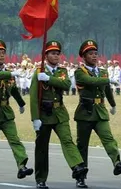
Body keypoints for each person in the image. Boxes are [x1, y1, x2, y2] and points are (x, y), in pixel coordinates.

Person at [30, 40, 88, 189]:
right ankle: (41, 179)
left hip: (60, 113)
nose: (56, 56)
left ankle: (77, 166)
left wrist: (49, 79)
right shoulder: (38, 72)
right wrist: (35, 118)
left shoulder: (62, 72)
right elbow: (33, 98)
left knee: (67, 140)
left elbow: (66, 85)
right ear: (46, 55)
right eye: (52, 54)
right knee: (42, 148)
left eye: (57, 54)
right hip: (44, 114)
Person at [74, 40, 121, 188]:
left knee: (108, 138)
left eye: (95, 53)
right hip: (85, 112)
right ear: (84, 56)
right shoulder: (80, 72)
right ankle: (81, 177)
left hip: (100, 110)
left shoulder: (103, 71)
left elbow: (106, 90)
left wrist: (113, 104)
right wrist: (107, 79)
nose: (94, 56)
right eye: (90, 54)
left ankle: (117, 162)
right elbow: (90, 81)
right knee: (82, 146)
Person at [0, 39, 33, 189]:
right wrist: (8, 73)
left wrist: (21, 103)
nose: (2, 55)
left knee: (15, 140)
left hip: (6, 113)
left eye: (3, 53)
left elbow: (13, 89)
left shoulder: (8, 72)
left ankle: (22, 166)